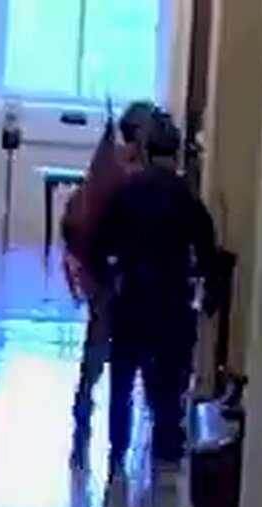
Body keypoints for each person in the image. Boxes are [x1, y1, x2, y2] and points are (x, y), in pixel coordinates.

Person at [89, 109, 218, 477]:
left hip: (132, 295)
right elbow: (206, 248)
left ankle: (117, 443)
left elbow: (99, 245)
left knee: (123, 376)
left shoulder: (127, 192)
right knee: (168, 375)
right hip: (171, 296)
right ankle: (165, 443)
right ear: (175, 154)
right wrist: (208, 288)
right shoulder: (185, 197)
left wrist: (109, 278)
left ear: (146, 151)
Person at [61, 101, 158, 469]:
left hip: (104, 270)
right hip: (116, 273)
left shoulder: (108, 165)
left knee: (102, 345)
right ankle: (122, 418)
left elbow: (77, 217)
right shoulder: (125, 172)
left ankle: (86, 405)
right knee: (127, 348)